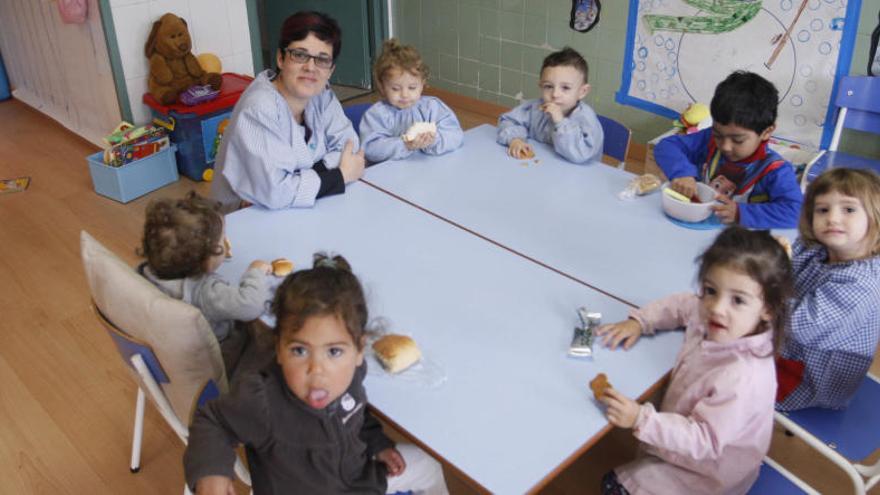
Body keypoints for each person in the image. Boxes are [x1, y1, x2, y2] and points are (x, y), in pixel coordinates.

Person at [183, 253, 449, 495]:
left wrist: (378, 443)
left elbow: (355, 412)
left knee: (428, 466)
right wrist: (211, 470)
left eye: (333, 351)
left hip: (360, 481)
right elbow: (213, 421)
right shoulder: (262, 399)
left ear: (359, 351)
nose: (317, 370)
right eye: (299, 350)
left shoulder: (351, 375)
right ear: (279, 349)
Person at [595, 227, 793, 495]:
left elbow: (705, 441)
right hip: (684, 444)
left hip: (707, 473)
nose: (717, 307)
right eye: (710, 290)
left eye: (738, 300)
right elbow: (681, 305)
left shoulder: (743, 376)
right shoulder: (710, 313)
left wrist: (642, 419)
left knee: (613, 486)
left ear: (768, 309)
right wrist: (640, 321)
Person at [211, 11, 365, 213]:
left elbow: (350, 149)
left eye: (322, 59)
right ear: (281, 58)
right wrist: (340, 175)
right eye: (300, 55)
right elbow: (275, 193)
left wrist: (296, 179)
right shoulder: (259, 108)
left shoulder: (322, 94)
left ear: (331, 70)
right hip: (244, 217)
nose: (311, 68)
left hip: (300, 208)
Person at [776, 168, 880, 411]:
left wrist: (766, 281)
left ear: (875, 217)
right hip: (789, 343)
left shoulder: (861, 283)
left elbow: (800, 326)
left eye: (849, 209)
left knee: (727, 377)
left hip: (810, 374)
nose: (832, 218)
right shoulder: (818, 248)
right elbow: (787, 268)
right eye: (823, 210)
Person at [139, 192, 273, 370]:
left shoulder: (146, 270)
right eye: (221, 240)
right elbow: (251, 304)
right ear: (205, 259)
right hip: (220, 357)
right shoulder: (206, 292)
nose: (225, 242)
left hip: (166, 351)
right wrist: (256, 271)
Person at [654, 71, 803, 228]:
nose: (725, 146)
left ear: (766, 132)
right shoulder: (709, 140)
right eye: (718, 135)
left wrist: (740, 213)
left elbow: (795, 212)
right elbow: (667, 146)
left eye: (737, 140)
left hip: (739, 245)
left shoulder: (775, 170)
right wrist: (682, 173)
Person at [359, 38, 463, 163]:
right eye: (395, 88)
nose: (405, 95)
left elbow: (456, 135)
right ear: (382, 86)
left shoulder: (432, 108)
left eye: (412, 87)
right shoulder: (377, 115)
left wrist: (434, 141)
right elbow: (371, 149)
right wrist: (405, 145)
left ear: (422, 84)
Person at [496, 46, 603, 164]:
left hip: (576, 175)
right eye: (548, 86)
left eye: (565, 88)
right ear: (541, 86)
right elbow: (508, 121)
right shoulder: (535, 108)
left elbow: (581, 154)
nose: (555, 94)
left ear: (582, 92)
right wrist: (515, 139)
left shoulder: (586, 118)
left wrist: (560, 122)